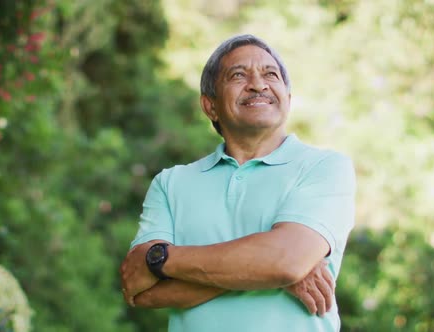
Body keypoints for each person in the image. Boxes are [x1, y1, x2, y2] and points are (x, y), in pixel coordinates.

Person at [120, 34, 356, 332]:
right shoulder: (171, 182)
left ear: (288, 98)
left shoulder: (325, 167)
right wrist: (270, 271)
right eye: (238, 75)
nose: (258, 84)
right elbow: (141, 290)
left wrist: (162, 258)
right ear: (210, 106)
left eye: (270, 74)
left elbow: (286, 261)